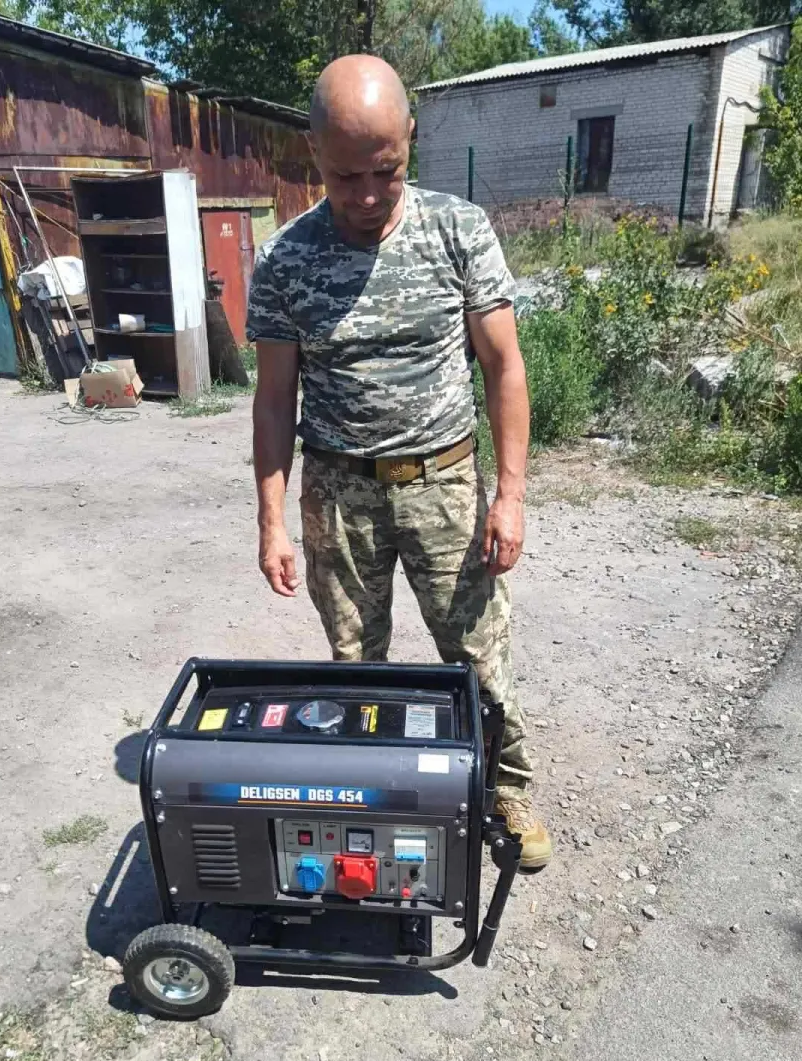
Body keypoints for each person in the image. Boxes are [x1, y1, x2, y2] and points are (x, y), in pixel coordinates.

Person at [247, 54, 552, 870]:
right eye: (346, 176)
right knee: (355, 666)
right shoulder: (284, 260)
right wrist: (272, 521)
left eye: (386, 170)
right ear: (313, 152)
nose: (368, 195)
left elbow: (505, 367)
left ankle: (506, 786)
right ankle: (372, 796)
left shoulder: (458, 230)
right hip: (338, 495)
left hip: (444, 483)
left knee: (478, 653)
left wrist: (510, 495)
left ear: (411, 139)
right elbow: (274, 400)